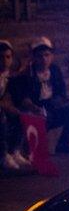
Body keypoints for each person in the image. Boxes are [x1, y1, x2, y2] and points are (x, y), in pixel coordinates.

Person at [13, 37, 69, 156]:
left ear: (52, 56)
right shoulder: (28, 73)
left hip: (52, 107)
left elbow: (62, 93)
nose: (44, 59)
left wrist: (56, 103)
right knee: (42, 117)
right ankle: (32, 150)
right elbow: (23, 97)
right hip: (35, 110)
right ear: (34, 57)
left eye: (47, 55)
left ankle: (62, 146)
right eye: (40, 56)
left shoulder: (55, 70)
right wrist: (36, 109)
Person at [1, 40, 31, 171]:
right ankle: (3, 154)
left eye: (8, 57)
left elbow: (15, 96)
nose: (4, 60)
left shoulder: (11, 76)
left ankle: (15, 151)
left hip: (6, 108)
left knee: (23, 115)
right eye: (0, 57)